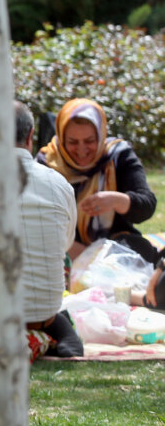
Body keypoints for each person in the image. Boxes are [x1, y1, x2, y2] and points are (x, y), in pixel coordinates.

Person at [37, 98, 160, 267]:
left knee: (140, 251)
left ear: (101, 135)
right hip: (63, 248)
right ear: (61, 137)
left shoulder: (118, 156)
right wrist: (76, 250)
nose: (81, 150)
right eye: (72, 142)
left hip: (114, 246)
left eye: (89, 141)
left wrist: (116, 200)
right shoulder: (46, 163)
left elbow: (147, 206)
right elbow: (38, 220)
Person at [14, 102, 84, 358]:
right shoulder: (58, 183)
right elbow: (65, 245)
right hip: (43, 313)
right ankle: (64, 334)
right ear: (31, 135)